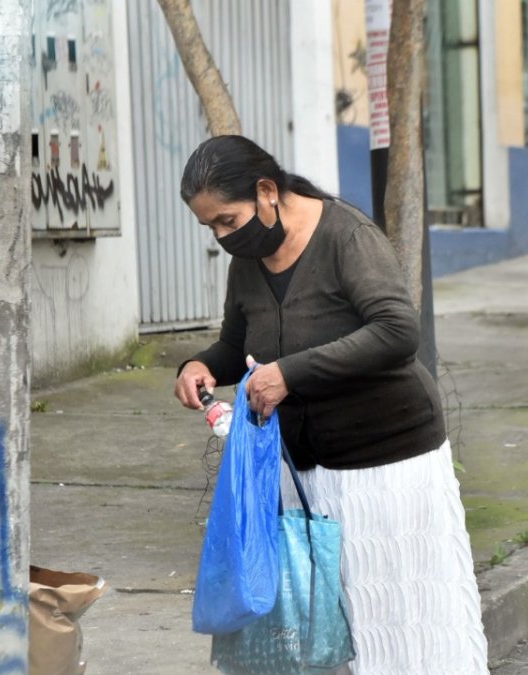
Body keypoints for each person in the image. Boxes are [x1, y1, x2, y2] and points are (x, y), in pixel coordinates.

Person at [173, 135, 488, 673]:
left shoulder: (347, 235)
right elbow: (237, 344)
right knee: (324, 629)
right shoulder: (248, 259)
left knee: (396, 619)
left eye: (226, 220)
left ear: (267, 191)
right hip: (304, 474)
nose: (223, 236)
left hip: (385, 466)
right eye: (211, 228)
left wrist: (289, 375)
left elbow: (396, 331)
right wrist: (199, 365)